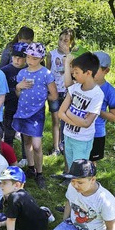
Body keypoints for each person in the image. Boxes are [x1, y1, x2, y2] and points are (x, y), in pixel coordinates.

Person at [46, 159, 115, 230]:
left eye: (80, 182)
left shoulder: (105, 200)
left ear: (92, 180)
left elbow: (111, 227)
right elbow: (69, 202)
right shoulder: (72, 186)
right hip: (72, 224)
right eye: (72, 181)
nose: (75, 185)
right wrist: (64, 222)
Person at [12, 43, 58, 189]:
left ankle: (40, 173)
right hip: (22, 111)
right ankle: (31, 168)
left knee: (37, 146)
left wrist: (43, 96)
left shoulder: (46, 74)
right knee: (26, 141)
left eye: (34, 58)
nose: (30, 60)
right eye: (28, 57)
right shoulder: (22, 73)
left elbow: (54, 95)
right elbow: (18, 95)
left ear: (41, 58)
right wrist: (18, 87)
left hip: (37, 113)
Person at [57, 53, 103, 172]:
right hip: (68, 135)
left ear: (88, 73)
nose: (74, 75)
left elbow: (87, 123)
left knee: (80, 172)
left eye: (76, 72)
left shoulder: (97, 94)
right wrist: (77, 120)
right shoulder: (75, 87)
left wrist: (68, 113)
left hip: (82, 140)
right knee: (72, 168)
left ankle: (80, 190)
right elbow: (60, 113)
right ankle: (72, 187)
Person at [0, 166, 54, 230]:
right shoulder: (23, 194)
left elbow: (11, 220)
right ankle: (44, 213)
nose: (1, 186)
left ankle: (46, 212)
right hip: (39, 229)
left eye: (4, 183)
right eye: (1, 182)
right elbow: (15, 218)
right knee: (3, 217)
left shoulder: (14, 197)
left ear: (16, 185)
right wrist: (0, 224)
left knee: (3, 216)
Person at [46, 28, 76, 156]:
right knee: (55, 119)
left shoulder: (72, 56)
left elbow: (75, 72)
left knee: (66, 118)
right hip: (54, 90)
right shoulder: (51, 54)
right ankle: (56, 147)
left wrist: (67, 54)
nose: (62, 42)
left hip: (68, 91)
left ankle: (64, 145)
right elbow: (47, 72)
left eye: (66, 40)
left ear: (71, 42)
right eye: (61, 39)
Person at [89, 51, 115, 164]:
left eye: (97, 69)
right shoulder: (83, 84)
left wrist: (97, 111)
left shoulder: (110, 91)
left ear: (106, 70)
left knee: (91, 163)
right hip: (80, 130)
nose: (92, 71)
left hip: (96, 132)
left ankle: (91, 181)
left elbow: (113, 117)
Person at [0, 42, 29, 147]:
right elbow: (1, 92)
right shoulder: (4, 71)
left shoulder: (29, 71)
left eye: (20, 57)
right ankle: (8, 158)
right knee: (8, 135)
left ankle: (26, 157)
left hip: (25, 108)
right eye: (15, 57)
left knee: (26, 137)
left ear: (26, 58)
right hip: (10, 108)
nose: (17, 60)